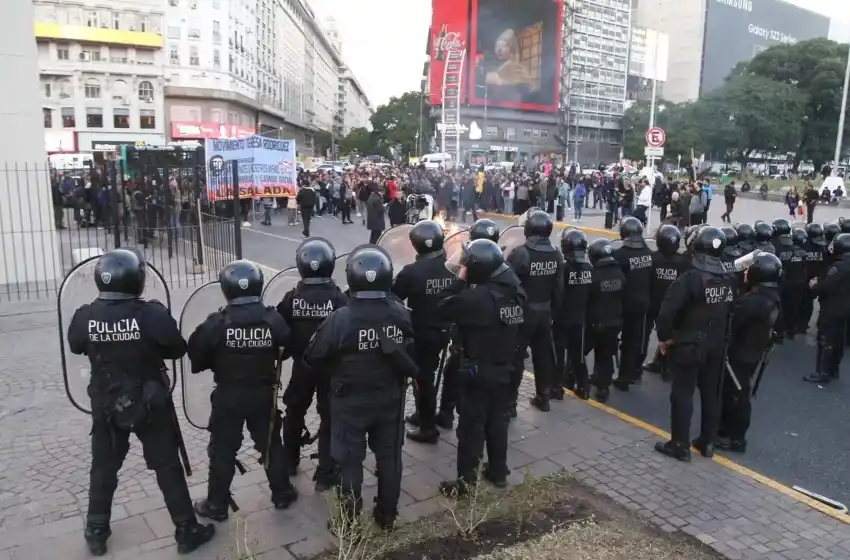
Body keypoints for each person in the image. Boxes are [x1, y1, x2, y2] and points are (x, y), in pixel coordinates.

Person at [66, 249, 215, 556]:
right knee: (166, 465)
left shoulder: (85, 314)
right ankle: (186, 529)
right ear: (137, 280)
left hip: (107, 402)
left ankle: (96, 531)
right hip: (149, 402)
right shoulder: (150, 314)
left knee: (104, 466)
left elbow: (75, 344)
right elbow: (176, 348)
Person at [303, 246, 415, 530]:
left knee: (349, 462)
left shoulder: (340, 319)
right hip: (390, 398)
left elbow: (312, 357)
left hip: (349, 401)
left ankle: (348, 522)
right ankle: (387, 515)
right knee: (389, 458)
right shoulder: (401, 314)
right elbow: (412, 349)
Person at [188, 260, 299, 521]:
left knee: (223, 449)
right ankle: (282, 493)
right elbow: (286, 349)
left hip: (228, 395)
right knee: (271, 443)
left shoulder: (216, 323)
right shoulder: (272, 319)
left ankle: (216, 505)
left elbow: (196, 357)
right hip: (262, 393)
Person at [437, 239, 526, 495]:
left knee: (470, 428)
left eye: (467, 263)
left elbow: (443, 305)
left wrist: (461, 279)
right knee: (497, 422)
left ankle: (465, 484)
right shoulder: (515, 290)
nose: (463, 265)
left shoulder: (476, 299)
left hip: (478, 371)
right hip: (505, 368)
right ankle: (498, 472)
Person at [654, 226, 735, 461]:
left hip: (689, 344)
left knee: (682, 393)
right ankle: (707, 442)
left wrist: (665, 337)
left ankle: (679, 445)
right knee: (711, 393)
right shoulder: (728, 279)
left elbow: (667, 313)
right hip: (717, 344)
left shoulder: (691, 278)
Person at [275, 238, 348, 489]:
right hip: (331, 369)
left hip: (302, 366)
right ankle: (325, 473)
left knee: (294, 411)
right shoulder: (339, 298)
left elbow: (280, 331)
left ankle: (290, 459)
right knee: (329, 416)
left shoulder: (291, 298)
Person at [392, 220, 454, 444]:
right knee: (431, 374)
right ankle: (423, 414)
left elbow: (394, 296)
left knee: (423, 379)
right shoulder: (451, 265)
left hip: (422, 334)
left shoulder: (411, 272)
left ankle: (428, 428)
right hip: (445, 329)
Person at [718, 252, 782, 453]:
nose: (745, 272)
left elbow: (731, 324)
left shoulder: (752, 301)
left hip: (739, 354)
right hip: (753, 351)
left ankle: (736, 439)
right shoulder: (772, 296)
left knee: (736, 394)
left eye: (749, 269)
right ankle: (725, 429)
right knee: (735, 392)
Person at [506, 210, 564, 413]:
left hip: (523, 313)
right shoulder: (556, 254)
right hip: (545, 311)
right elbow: (559, 289)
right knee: (543, 356)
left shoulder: (521, 253)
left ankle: (510, 403)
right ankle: (544, 396)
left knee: (516, 357)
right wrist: (552, 314)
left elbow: (509, 284)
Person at [611, 217, 653, 389]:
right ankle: (630, 374)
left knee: (614, 341)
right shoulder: (649, 253)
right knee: (634, 341)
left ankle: (611, 376)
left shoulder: (620, 255)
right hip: (642, 305)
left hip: (622, 305)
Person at [643, 225, 689, 379]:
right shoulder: (683, 262)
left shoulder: (651, 259)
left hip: (653, 304)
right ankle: (664, 365)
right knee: (670, 336)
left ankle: (637, 366)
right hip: (673, 306)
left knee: (644, 334)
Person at [804, 234, 850, 384]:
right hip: (845, 307)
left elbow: (826, 286)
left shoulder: (839, 266)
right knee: (839, 340)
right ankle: (833, 369)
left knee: (826, 340)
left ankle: (822, 372)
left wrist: (814, 285)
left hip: (832, 308)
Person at [552, 228, 592, 399]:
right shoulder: (589, 268)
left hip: (562, 319)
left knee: (558, 355)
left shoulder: (563, 268)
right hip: (580, 318)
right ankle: (584, 387)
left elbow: (558, 294)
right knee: (578, 356)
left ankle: (556, 388)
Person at [586, 238, 625, 403]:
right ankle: (603, 386)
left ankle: (573, 379)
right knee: (606, 355)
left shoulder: (593, 275)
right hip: (615, 322)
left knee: (581, 351)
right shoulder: (619, 273)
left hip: (596, 323)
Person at [801, 223, 828, 333]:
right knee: (809, 302)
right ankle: (804, 325)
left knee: (803, 302)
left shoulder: (804, 245)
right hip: (816, 279)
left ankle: (800, 325)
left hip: (805, 278)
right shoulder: (823, 247)